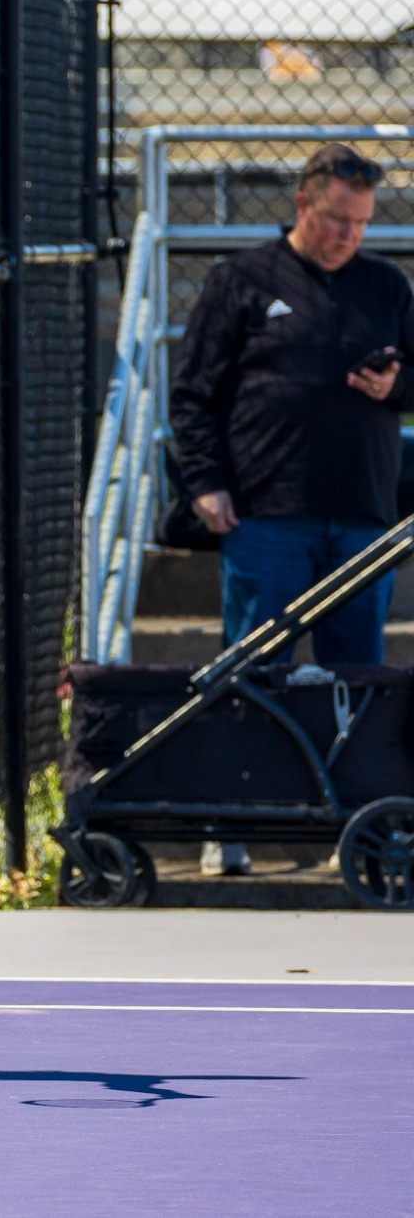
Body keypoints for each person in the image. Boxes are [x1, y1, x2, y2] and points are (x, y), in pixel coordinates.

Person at [169, 142, 414, 874]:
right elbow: (192, 394)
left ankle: (359, 833)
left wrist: (394, 388)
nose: (349, 234)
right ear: (304, 205)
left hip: (363, 517)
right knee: (251, 668)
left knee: (355, 678)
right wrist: (206, 482)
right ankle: (231, 821)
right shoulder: (240, 281)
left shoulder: (386, 287)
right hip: (267, 515)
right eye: (338, 218)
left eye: (363, 222)